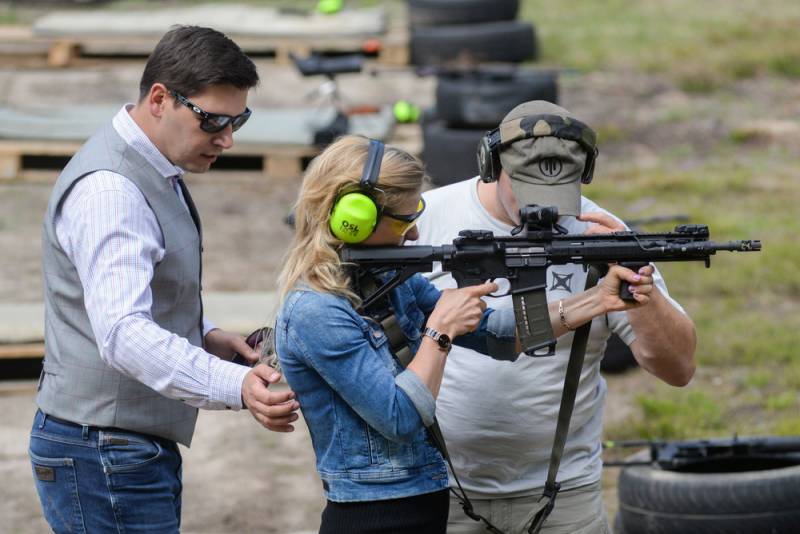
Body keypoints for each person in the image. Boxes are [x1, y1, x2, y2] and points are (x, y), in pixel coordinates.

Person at [273, 134, 653, 534]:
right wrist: (440, 332)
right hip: (372, 516)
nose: (414, 235)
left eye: (416, 216)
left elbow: (499, 336)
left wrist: (598, 300)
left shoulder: (385, 281)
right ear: (354, 217)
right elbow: (399, 417)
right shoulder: (317, 311)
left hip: (420, 506)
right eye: (403, 221)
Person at [30, 26, 299, 533]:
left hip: (115, 448)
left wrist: (205, 334)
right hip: (102, 451)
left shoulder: (151, 165)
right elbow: (122, 332)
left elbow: (130, 295)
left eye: (238, 120)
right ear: (159, 99)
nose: (227, 138)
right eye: (212, 120)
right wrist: (237, 384)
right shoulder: (112, 191)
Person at [411, 100, 697, 534]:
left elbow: (678, 368)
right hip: (437, 487)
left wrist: (643, 289)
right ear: (492, 165)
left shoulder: (600, 232)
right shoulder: (425, 221)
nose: (543, 210)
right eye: (527, 190)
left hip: (565, 493)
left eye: (557, 193)